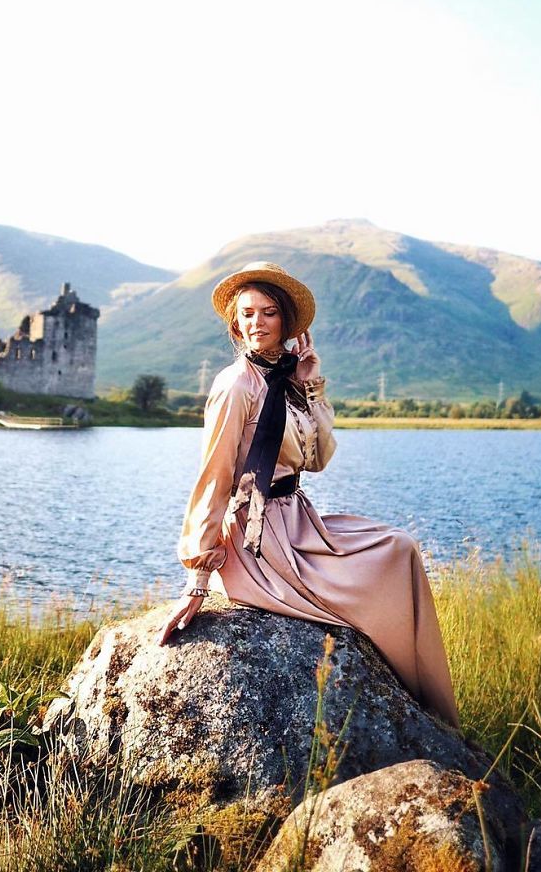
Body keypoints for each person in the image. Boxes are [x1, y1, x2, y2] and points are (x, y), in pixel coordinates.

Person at [157, 260, 460, 730]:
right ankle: (423, 705)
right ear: (235, 323)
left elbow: (316, 460)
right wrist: (198, 577)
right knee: (387, 563)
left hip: (297, 519)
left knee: (400, 548)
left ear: (287, 324)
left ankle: (431, 706)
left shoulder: (290, 381)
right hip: (257, 539)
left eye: (269, 313)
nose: (256, 323)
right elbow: (213, 478)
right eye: (247, 314)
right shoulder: (235, 385)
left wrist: (312, 385)